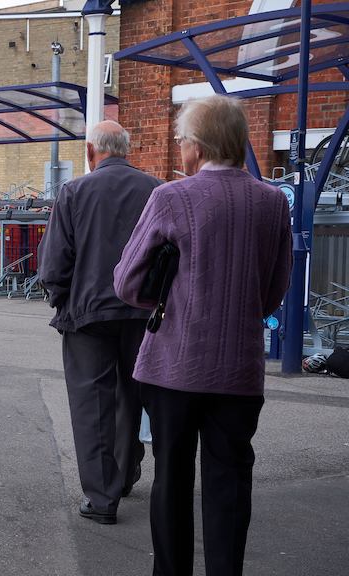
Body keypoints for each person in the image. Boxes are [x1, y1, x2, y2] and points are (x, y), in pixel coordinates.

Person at [114, 95, 291, 575]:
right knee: (230, 481)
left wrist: (176, 304)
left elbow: (128, 281)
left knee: (171, 478)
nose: (179, 147)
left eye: (180, 139)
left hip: (174, 366)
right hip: (239, 371)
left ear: (197, 144)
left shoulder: (171, 198)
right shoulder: (273, 203)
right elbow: (273, 293)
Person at [37, 120, 162, 525]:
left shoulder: (74, 191)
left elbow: (55, 260)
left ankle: (102, 497)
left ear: (91, 151)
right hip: (142, 312)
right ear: (126, 149)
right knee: (134, 395)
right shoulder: (156, 190)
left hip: (88, 313)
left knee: (92, 403)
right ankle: (125, 474)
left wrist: (60, 298)